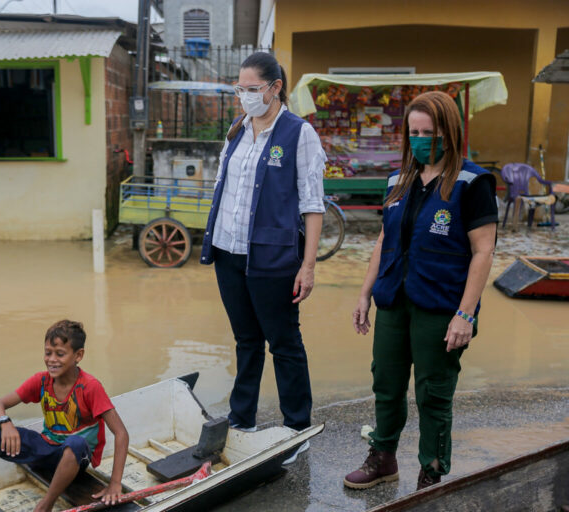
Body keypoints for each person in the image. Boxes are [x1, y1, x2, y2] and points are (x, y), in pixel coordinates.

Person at [344, 91, 498, 491]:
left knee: (433, 392)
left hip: (440, 308)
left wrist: (465, 314)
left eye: (428, 132)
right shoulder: (399, 180)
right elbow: (383, 240)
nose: (419, 139)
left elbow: (483, 251)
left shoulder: (472, 182)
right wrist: (364, 293)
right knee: (386, 383)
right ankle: (383, 458)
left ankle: (432, 473)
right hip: (394, 300)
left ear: (449, 132)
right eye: (413, 131)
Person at [200, 52, 326, 464]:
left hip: (273, 257)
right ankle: (243, 419)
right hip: (228, 252)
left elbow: (312, 204)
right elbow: (224, 189)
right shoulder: (237, 129)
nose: (245, 97)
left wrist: (307, 266)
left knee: (284, 341)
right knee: (246, 340)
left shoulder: (298, 133)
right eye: (240, 89)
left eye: (252, 89)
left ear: (274, 88)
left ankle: (297, 429)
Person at [0, 320, 129, 512]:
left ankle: (45, 505)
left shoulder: (90, 387)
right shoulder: (42, 380)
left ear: (78, 355)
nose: (52, 359)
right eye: (48, 353)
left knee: (76, 443)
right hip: (46, 448)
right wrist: (5, 423)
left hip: (75, 458)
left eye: (60, 354)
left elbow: (121, 433)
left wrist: (115, 483)